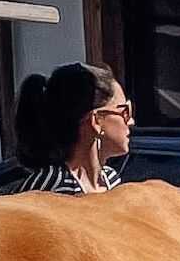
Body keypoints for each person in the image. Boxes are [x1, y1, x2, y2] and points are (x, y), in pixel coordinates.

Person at [14, 62, 132, 192]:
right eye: (125, 111)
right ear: (95, 121)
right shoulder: (49, 187)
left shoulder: (111, 179)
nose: (131, 121)